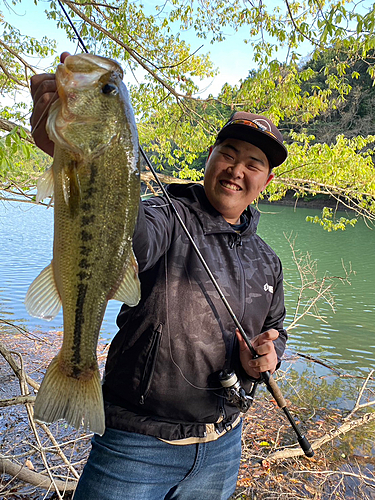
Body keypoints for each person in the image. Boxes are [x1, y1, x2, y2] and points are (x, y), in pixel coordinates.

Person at [30, 54, 288, 500]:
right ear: (210, 158)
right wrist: (74, 156)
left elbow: (276, 328)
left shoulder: (268, 261)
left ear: (265, 180)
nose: (236, 169)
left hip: (223, 446)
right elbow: (132, 235)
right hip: (135, 445)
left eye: (253, 163)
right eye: (228, 154)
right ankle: (76, 367)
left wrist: (267, 355)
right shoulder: (164, 215)